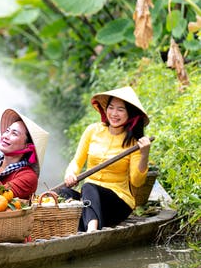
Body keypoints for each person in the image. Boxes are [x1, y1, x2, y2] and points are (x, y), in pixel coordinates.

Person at [59, 86, 151, 232]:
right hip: (90, 200)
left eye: (120, 109)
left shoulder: (134, 142)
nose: (114, 114)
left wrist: (144, 154)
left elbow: (137, 181)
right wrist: (70, 174)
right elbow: (77, 161)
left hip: (117, 203)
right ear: (106, 108)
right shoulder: (93, 130)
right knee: (62, 194)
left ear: (130, 114)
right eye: (111, 107)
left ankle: (91, 231)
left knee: (88, 187)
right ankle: (81, 222)